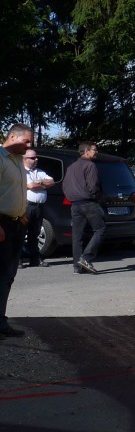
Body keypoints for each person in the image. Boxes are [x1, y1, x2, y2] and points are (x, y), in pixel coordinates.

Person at [0, 124, 34, 337]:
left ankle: (1, 323)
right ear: (12, 136)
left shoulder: (18, 161)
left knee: (7, 275)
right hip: (1, 225)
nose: (29, 146)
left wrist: (22, 216)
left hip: (16, 224)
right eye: (27, 141)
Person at [62, 141, 105, 275]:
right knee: (100, 229)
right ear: (86, 151)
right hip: (89, 203)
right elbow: (94, 185)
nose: (96, 152)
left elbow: (65, 186)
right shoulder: (90, 165)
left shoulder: (71, 167)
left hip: (75, 204)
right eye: (94, 150)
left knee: (77, 236)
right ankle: (86, 258)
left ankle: (77, 266)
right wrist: (98, 198)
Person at [20, 149, 54, 268]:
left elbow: (52, 181)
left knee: (35, 233)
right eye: (33, 158)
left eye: (36, 157)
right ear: (25, 159)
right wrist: (42, 185)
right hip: (26, 206)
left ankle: (35, 259)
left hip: (38, 207)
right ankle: (18, 259)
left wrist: (39, 183)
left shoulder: (40, 171)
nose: (36, 160)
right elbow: (30, 185)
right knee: (21, 232)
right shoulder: (22, 171)